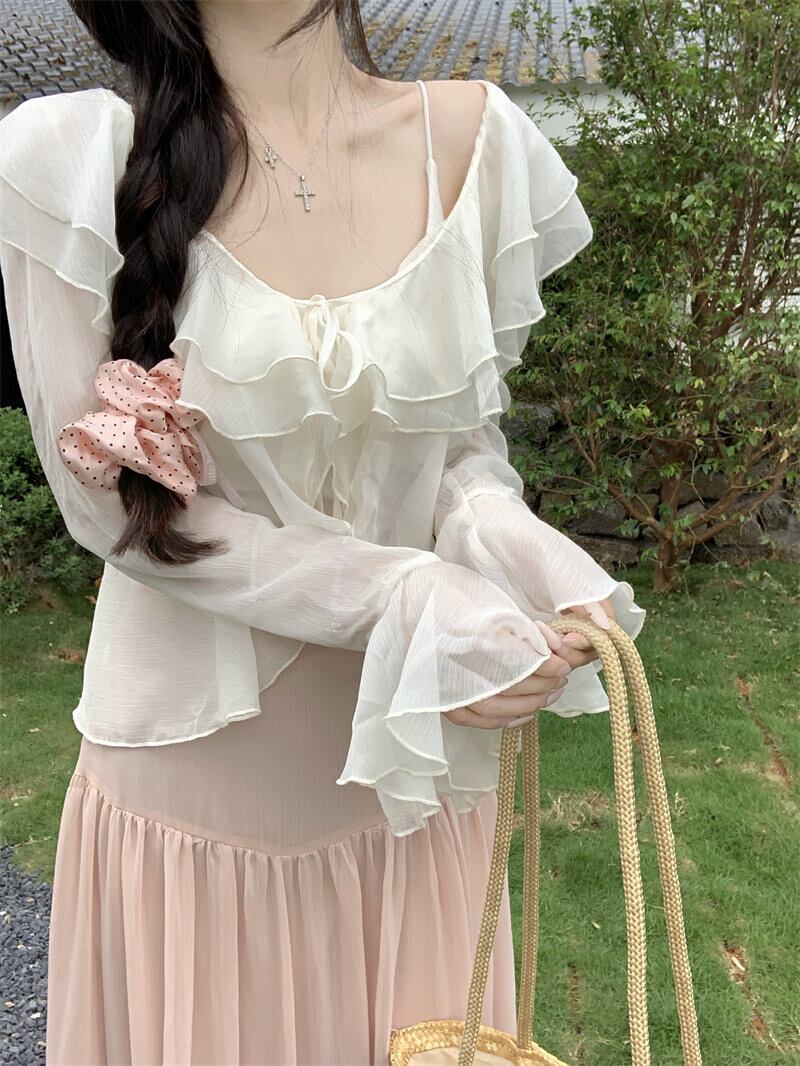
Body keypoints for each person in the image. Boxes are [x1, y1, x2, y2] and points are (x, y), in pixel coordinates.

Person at [0, 1, 645, 1062]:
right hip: (200, 810)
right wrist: (401, 595)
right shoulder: (67, 161)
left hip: (414, 795)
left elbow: (453, 448)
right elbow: (111, 508)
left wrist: (505, 537)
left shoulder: (472, 141)